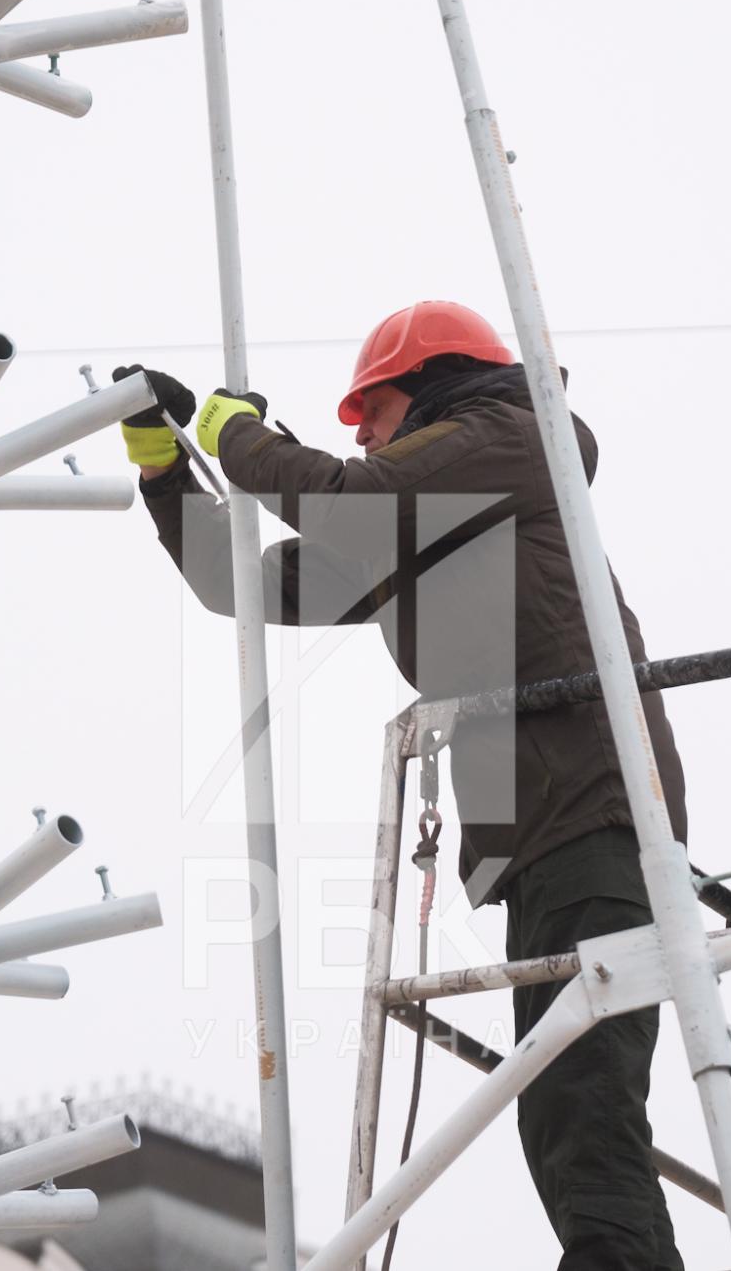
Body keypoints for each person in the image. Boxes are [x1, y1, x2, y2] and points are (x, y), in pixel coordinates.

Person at [119, 301, 688, 1269]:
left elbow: (350, 492)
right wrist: (169, 465)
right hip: (544, 831)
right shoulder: (419, 518)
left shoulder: (514, 438)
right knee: (558, 1107)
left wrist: (238, 431)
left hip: (596, 811)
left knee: (585, 1100)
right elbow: (240, 584)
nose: (359, 429)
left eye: (369, 409)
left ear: (427, 383)